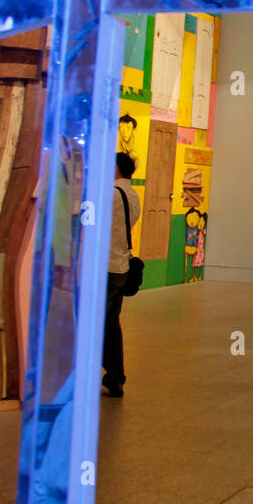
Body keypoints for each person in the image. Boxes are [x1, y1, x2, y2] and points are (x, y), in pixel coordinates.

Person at [104, 152, 141, 398]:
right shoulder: (134, 195)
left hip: (104, 267)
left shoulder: (110, 194)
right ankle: (116, 378)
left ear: (116, 167)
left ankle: (77, 377)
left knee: (92, 323)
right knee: (111, 324)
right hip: (122, 268)